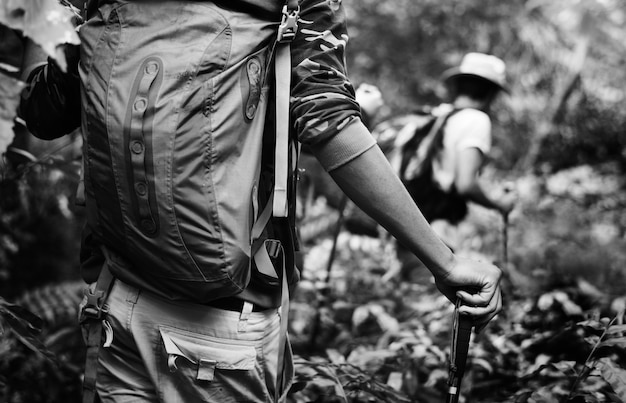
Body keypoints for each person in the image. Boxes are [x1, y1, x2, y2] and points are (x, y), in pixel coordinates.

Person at [18, 2, 503, 402]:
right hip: (221, 329)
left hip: (115, 297)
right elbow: (327, 124)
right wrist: (445, 261)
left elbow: (42, 111)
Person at [394, 52, 517, 281]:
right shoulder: (475, 120)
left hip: (404, 227)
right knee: (431, 301)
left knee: (411, 300)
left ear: (458, 85)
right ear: (490, 92)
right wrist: (499, 204)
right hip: (437, 233)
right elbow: (465, 184)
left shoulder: (429, 118)